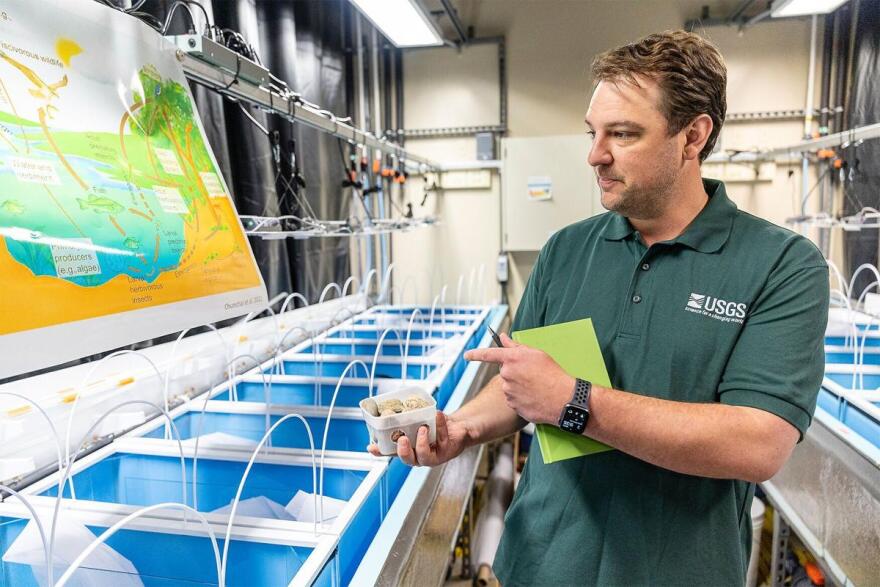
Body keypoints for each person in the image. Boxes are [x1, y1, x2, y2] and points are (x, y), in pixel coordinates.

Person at [369, 30, 829, 586]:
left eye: (623, 134)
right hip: (541, 563)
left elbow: (759, 442)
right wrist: (463, 428)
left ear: (693, 136)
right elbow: (526, 381)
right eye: (593, 133)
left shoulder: (781, 264)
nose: (595, 155)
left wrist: (576, 402)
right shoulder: (568, 250)